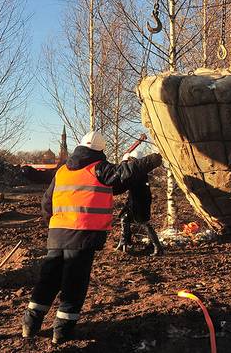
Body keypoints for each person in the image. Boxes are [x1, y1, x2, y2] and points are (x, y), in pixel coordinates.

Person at [21, 131, 162, 344]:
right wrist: (156, 158)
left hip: (57, 233)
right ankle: (62, 333)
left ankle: (29, 326)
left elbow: (46, 203)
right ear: (100, 151)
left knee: (48, 280)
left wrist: (53, 223)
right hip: (82, 235)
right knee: (74, 284)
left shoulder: (62, 172)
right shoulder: (99, 168)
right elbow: (127, 172)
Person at [115, 149, 164, 256]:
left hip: (139, 199)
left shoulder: (136, 169)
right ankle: (125, 242)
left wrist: (123, 162)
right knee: (125, 217)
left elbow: (125, 175)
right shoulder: (140, 168)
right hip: (138, 198)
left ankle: (157, 247)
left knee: (143, 222)